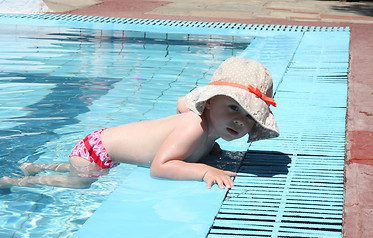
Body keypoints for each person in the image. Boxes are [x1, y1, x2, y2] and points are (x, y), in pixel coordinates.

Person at [0, 57, 279, 190]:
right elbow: (160, 168)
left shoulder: (209, 129)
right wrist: (204, 171)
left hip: (101, 148)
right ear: (208, 103)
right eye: (233, 108)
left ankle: (36, 166)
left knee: (94, 170)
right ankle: (18, 180)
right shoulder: (193, 128)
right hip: (95, 151)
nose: (239, 121)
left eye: (248, 116)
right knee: (81, 183)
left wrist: (209, 149)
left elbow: (183, 104)